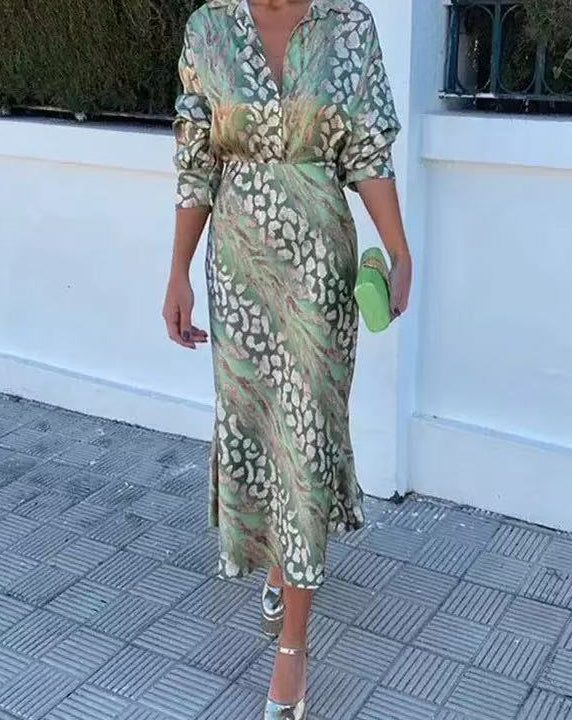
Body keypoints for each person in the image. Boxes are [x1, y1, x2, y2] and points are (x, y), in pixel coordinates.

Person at [162, 0, 412, 717]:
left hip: (319, 270)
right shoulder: (209, 28)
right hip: (237, 270)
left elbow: (367, 153)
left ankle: (293, 649)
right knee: (259, 427)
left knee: (305, 434)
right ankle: (280, 558)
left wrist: (399, 250)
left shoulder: (347, 25)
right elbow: (195, 163)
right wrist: (177, 272)